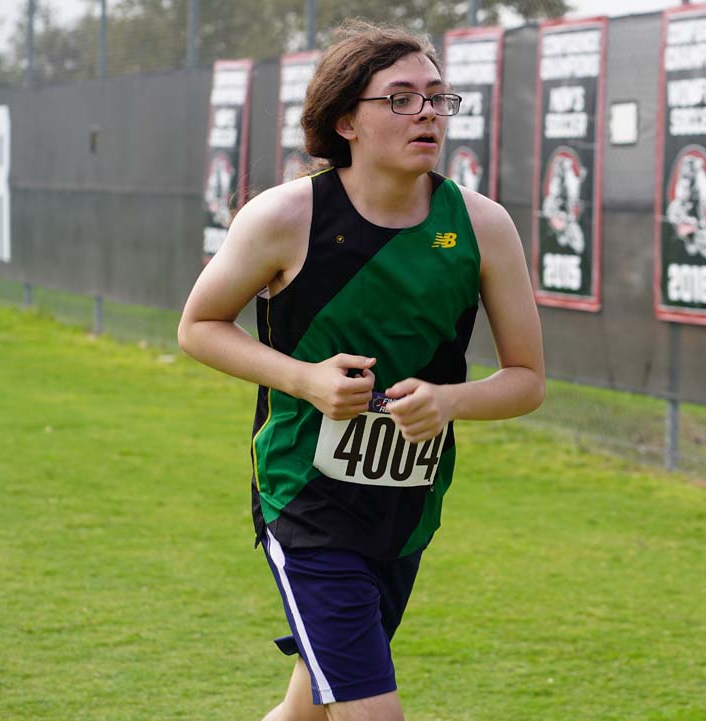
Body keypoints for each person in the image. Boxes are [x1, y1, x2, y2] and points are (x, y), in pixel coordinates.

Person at [177, 19, 545, 721]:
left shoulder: (481, 226)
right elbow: (198, 326)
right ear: (346, 118)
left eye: (438, 97)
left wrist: (451, 401)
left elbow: (527, 378)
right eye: (401, 99)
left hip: (408, 507)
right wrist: (306, 379)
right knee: (371, 711)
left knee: (307, 711)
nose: (428, 112)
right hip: (304, 499)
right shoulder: (287, 216)